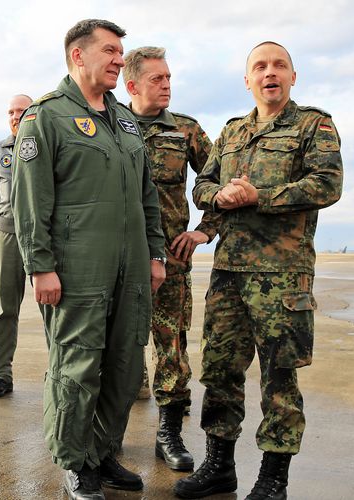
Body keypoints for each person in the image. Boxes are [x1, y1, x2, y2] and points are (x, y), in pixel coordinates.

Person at [173, 41, 343, 500]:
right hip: (229, 272)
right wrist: (219, 196)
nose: (270, 73)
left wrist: (258, 197)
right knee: (220, 370)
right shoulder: (231, 133)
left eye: (279, 65)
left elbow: (327, 184)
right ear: (247, 80)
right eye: (260, 67)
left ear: (293, 76)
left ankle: (273, 479)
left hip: (283, 276)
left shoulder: (313, 125)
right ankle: (219, 466)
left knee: (279, 376)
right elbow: (202, 184)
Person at [12, 19, 166, 500]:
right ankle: (75, 462)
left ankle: (102, 453)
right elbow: (30, 201)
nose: (121, 59)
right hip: (77, 269)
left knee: (124, 364)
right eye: (110, 50)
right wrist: (40, 265)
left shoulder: (123, 119)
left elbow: (147, 193)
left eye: (121, 51)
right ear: (78, 56)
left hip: (132, 267)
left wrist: (156, 252)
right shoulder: (47, 117)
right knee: (77, 367)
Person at [122, 46, 218, 472]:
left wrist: (204, 229)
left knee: (171, 345)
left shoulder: (184, 130)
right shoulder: (108, 123)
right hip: (117, 256)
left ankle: (169, 432)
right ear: (132, 84)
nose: (166, 86)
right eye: (157, 79)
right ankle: (109, 434)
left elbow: (218, 178)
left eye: (169, 78)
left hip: (172, 259)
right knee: (117, 345)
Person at [0, 93, 33, 398]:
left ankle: (59, 373)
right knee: (5, 309)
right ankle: (0, 374)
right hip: (8, 234)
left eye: (22, 111)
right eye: (11, 112)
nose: (15, 116)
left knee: (53, 308)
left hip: (43, 236)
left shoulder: (49, 146)